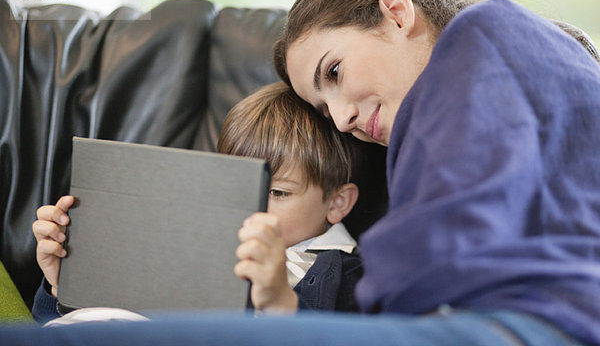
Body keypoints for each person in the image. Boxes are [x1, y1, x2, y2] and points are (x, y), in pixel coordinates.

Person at [3, 0, 599, 346]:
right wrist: (71, 279)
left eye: (334, 71)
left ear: (396, 13)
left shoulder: (491, 30)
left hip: (533, 323)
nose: (342, 118)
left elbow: (450, 245)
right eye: (322, 107)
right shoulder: (433, 118)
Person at [30, 82, 362, 323]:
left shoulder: (350, 273)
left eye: (277, 193)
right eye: (239, 184)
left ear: (337, 202)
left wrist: (279, 300)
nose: (252, 206)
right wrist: (66, 284)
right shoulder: (189, 239)